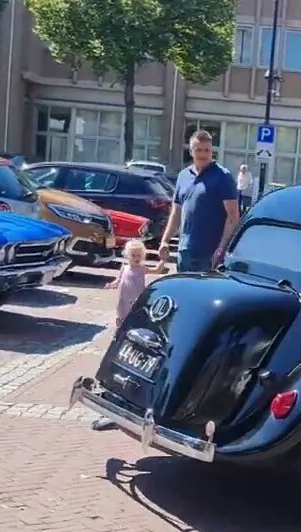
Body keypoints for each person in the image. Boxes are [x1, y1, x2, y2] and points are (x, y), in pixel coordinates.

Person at [154, 131, 239, 274]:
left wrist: (221, 249)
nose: (203, 154)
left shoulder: (223, 177)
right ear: (191, 151)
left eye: (207, 150)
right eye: (199, 150)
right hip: (185, 251)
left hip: (210, 254)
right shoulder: (183, 176)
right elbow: (176, 213)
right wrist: (165, 241)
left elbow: (233, 216)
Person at [92, 240, 150, 431]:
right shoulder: (124, 267)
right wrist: (112, 283)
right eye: (132, 255)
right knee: (121, 325)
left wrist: (162, 262)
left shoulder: (142, 269)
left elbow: (158, 270)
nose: (135, 259)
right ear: (127, 255)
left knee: (129, 329)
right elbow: (119, 280)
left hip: (135, 304)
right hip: (123, 304)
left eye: (138, 256)